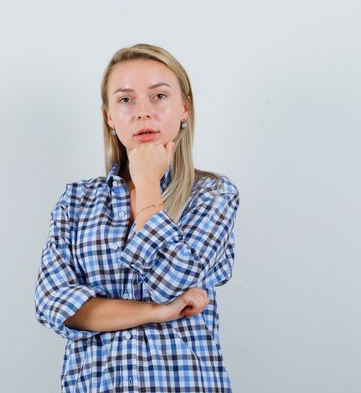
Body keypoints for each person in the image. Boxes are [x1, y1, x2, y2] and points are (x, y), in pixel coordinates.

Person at [34, 43, 240, 392]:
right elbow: (56, 305)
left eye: (159, 96)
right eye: (126, 100)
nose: (143, 112)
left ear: (184, 109)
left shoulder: (213, 194)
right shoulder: (76, 201)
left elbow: (171, 282)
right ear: (110, 116)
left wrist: (146, 181)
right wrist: (157, 312)